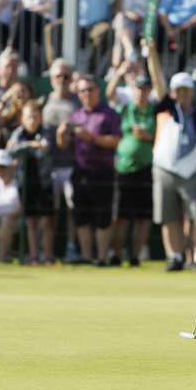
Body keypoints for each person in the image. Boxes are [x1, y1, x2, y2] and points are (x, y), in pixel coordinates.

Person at [151, 72, 196, 272]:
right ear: (172, 92)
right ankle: (175, 257)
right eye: (178, 90)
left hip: (191, 175)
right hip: (163, 171)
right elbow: (156, 79)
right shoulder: (166, 110)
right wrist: (151, 51)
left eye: (185, 90)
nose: (182, 94)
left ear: (192, 91)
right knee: (169, 217)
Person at [56, 74, 122, 265]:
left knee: (103, 217)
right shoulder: (76, 115)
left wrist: (89, 137)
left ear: (98, 91)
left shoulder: (109, 113)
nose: (86, 94)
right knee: (81, 217)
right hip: (79, 172)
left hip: (102, 172)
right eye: (82, 90)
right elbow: (64, 146)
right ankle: (87, 257)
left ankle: (102, 258)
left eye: (90, 90)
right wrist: (61, 135)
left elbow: (116, 140)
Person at [111, 73, 157, 267]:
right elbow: (109, 93)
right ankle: (116, 255)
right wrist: (121, 71)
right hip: (124, 169)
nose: (141, 92)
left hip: (147, 169)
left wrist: (148, 136)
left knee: (144, 217)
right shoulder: (123, 110)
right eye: (137, 88)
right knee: (121, 216)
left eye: (145, 88)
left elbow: (163, 140)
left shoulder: (155, 112)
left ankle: (135, 257)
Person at [40, 59, 82, 260]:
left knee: (72, 209)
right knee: (51, 210)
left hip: (72, 164)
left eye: (66, 76)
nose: (62, 80)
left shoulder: (77, 102)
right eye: (58, 76)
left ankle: (71, 247)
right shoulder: (44, 100)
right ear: (51, 78)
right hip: (49, 166)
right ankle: (46, 249)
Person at [45, 0, 113, 75]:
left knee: (105, 31)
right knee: (52, 28)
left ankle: (91, 70)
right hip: (72, 22)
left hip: (96, 23)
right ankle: (56, 69)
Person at [6, 101, 55, 265]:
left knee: (46, 221)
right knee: (31, 221)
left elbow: (43, 151)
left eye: (35, 117)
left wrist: (23, 147)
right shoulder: (18, 133)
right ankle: (34, 258)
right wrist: (30, 144)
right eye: (29, 117)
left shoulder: (46, 132)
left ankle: (48, 258)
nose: (32, 121)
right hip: (26, 183)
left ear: (40, 118)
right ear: (22, 118)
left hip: (45, 181)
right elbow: (10, 150)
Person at [9, 0, 58, 76]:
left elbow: (49, 6)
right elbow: (19, 5)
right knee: (24, 20)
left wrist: (31, 10)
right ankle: (25, 65)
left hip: (45, 21)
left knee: (25, 16)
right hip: (26, 21)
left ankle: (11, 50)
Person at [108, 0, 154, 74]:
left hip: (144, 26)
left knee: (120, 32)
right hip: (126, 22)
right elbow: (118, 10)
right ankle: (129, 50)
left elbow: (154, 12)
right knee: (122, 20)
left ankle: (115, 67)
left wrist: (142, 19)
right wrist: (131, 15)